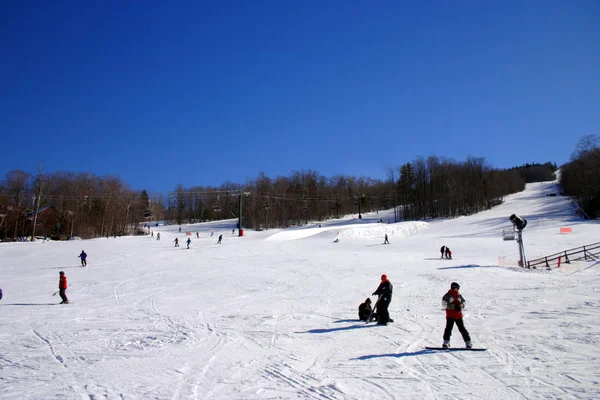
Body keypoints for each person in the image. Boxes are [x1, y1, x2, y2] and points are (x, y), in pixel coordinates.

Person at [441, 282, 471, 348]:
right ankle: (446, 342)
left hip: (458, 315)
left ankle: (468, 342)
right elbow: (444, 304)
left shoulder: (458, 295)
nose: (458, 290)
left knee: (462, 329)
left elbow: (463, 302)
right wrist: (453, 307)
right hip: (450, 315)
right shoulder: (447, 295)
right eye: (457, 288)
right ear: (453, 288)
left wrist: (461, 305)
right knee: (448, 329)